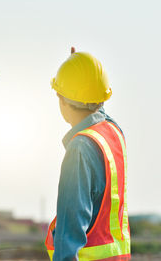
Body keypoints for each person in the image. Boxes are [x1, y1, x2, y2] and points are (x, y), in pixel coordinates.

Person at [45, 47, 131, 260]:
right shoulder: (113, 132)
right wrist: (82, 73)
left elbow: (69, 238)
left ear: (62, 100)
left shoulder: (80, 149)